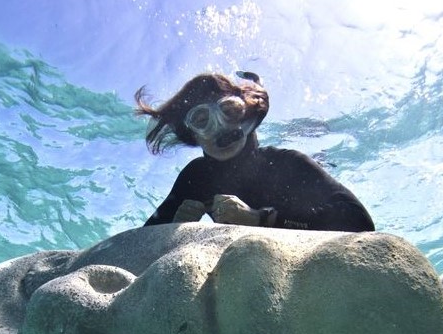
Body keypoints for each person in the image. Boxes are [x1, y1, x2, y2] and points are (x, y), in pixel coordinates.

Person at [136, 72, 375, 231]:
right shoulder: (196, 177)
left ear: (246, 114)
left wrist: (262, 218)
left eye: (228, 110)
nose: (221, 128)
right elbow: (142, 242)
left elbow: (360, 222)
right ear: (192, 135)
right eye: (201, 119)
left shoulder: (287, 163)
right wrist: (172, 231)